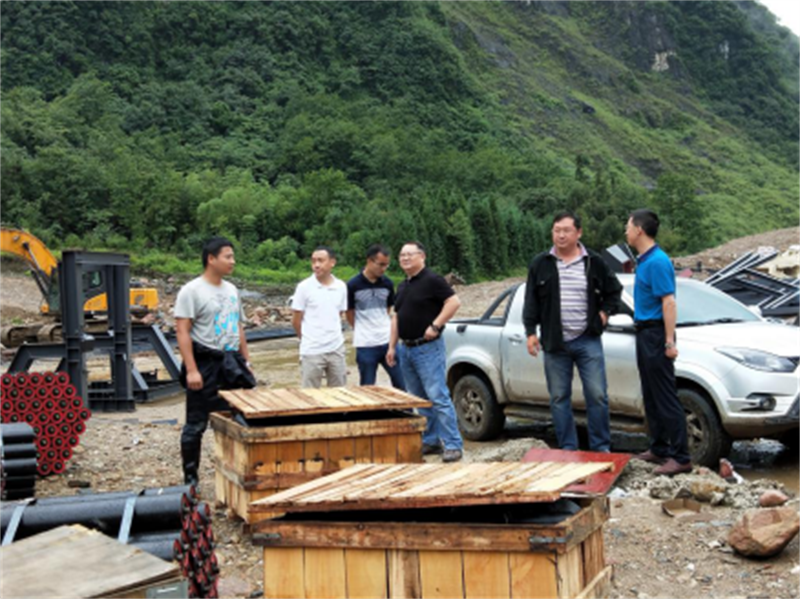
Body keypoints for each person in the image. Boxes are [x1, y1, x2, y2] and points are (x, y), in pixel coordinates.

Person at [522, 210, 622, 453]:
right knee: (559, 397)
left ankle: (600, 448)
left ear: (578, 233)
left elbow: (614, 291)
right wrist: (530, 332)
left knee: (597, 395)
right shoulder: (540, 263)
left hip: (587, 339)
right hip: (555, 342)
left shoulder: (594, 262)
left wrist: (604, 313)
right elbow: (531, 300)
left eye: (566, 230)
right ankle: (568, 449)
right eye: (557, 230)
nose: (561, 235)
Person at [175, 237, 256, 486]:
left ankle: (236, 475)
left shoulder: (231, 290)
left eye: (233, 256)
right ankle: (191, 480)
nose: (233, 261)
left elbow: (238, 327)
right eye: (227, 256)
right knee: (196, 424)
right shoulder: (192, 291)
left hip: (232, 361)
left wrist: (246, 360)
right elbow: (182, 331)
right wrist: (191, 370)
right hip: (205, 362)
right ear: (211, 259)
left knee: (239, 419)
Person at [625, 208, 693, 475]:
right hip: (644, 332)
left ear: (639, 229)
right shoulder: (644, 260)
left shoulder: (657, 261)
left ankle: (681, 456)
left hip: (655, 333)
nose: (626, 231)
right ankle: (659, 448)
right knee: (651, 394)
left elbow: (669, 302)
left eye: (628, 226)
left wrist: (668, 341)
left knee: (665, 395)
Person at [387, 241, 463, 462]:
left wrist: (436, 325)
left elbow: (453, 302)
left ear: (422, 256)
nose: (405, 258)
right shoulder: (403, 286)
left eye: (410, 254)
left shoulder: (433, 280)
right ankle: (431, 440)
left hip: (428, 347)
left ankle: (453, 444)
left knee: (438, 396)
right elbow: (397, 317)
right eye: (402, 255)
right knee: (420, 398)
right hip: (406, 348)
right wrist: (392, 346)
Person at [346, 244, 406, 389]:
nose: (383, 268)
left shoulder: (387, 284)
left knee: (402, 383)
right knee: (368, 387)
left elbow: (387, 309)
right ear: (369, 261)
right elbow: (349, 312)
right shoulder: (353, 285)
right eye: (381, 264)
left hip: (388, 341)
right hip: (365, 344)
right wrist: (360, 328)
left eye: (386, 265)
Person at [291, 246, 348, 388]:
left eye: (321, 261)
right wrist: (306, 339)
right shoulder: (304, 287)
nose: (316, 265)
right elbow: (296, 320)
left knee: (339, 392)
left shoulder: (341, 287)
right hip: (312, 350)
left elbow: (339, 314)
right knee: (310, 394)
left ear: (332, 262)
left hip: (336, 348)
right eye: (313, 261)